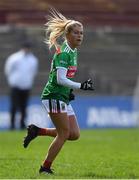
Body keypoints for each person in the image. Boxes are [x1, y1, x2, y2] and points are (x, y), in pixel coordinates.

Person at [23, 9, 94, 175]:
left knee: (74, 134)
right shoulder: (64, 53)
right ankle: (45, 167)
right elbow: (60, 79)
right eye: (76, 33)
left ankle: (37, 131)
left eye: (82, 33)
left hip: (61, 96)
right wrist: (80, 86)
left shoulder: (73, 51)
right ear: (67, 34)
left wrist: (68, 91)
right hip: (53, 95)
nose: (80, 36)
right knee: (63, 134)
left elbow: (59, 75)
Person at [4, 41, 38, 130]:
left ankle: (22, 124)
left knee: (24, 106)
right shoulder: (14, 58)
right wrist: (12, 81)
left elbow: (33, 72)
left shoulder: (33, 60)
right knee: (14, 106)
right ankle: (12, 125)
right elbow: (8, 70)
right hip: (16, 86)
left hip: (26, 86)